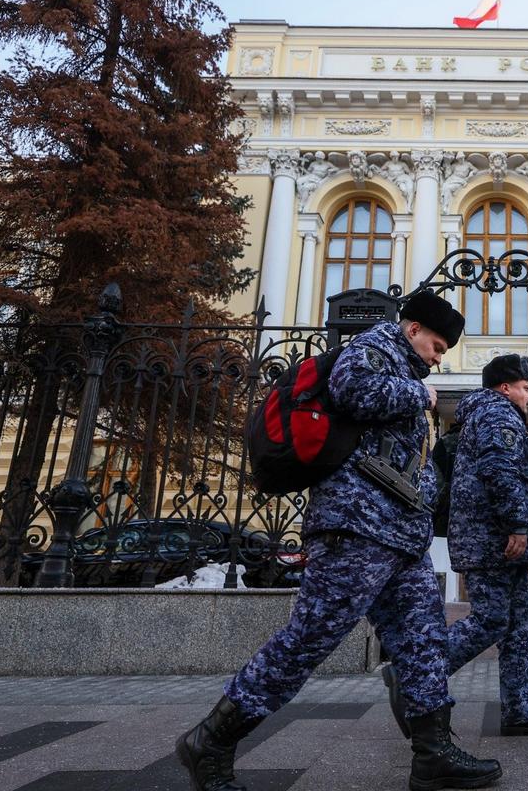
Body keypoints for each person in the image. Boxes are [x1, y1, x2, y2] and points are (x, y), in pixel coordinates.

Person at [177, 291, 502, 791]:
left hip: (400, 534)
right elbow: (354, 391)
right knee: (312, 635)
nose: (439, 359)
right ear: (413, 329)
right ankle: (212, 739)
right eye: (437, 347)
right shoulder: (374, 347)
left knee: (423, 640)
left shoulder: (402, 364)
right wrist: (420, 396)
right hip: (356, 527)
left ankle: (434, 754)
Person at [392, 354, 528, 735]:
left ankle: (520, 709)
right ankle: (414, 672)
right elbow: (498, 471)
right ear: (505, 388)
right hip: (493, 543)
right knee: (491, 620)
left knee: (521, 625)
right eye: (524, 387)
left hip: (498, 544)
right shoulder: (497, 414)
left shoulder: (493, 414)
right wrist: (518, 525)